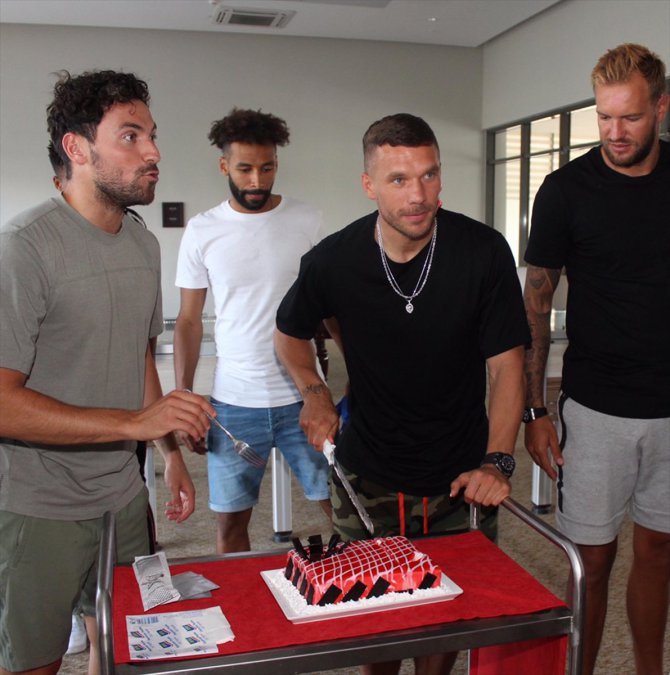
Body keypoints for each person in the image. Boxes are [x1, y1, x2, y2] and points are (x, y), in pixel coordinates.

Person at [274, 113, 529, 675]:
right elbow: (288, 334)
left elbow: (507, 366)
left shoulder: (483, 252)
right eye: (399, 179)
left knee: (447, 620)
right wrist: (314, 391)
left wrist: (498, 459)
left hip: (460, 475)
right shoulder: (333, 260)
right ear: (369, 185)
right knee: (377, 624)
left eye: (429, 175)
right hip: (368, 474)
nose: (418, 195)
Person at [0, 70, 216, 675]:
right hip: (37, 504)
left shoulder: (144, 245)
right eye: (130, 136)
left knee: (125, 648)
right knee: (33, 664)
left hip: (121, 498)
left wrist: (168, 451)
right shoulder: (24, 247)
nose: (153, 152)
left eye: (152, 135)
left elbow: (137, 357)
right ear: (76, 148)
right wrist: (133, 424)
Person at [522, 43, 670, 675]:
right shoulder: (565, 190)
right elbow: (536, 303)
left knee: (659, 552)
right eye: (604, 116)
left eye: (630, 117)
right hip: (596, 407)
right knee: (592, 559)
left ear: (661, 108)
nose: (614, 132)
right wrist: (534, 410)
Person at [174, 108, 331, 554]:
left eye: (267, 167)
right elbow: (188, 321)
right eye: (245, 169)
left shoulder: (308, 221)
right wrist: (184, 398)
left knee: (341, 508)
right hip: (233, 404)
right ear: (224, 165)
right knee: (230, 526)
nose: (257, 180)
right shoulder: (202, 230)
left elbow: (333, 308)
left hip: (304, 397)